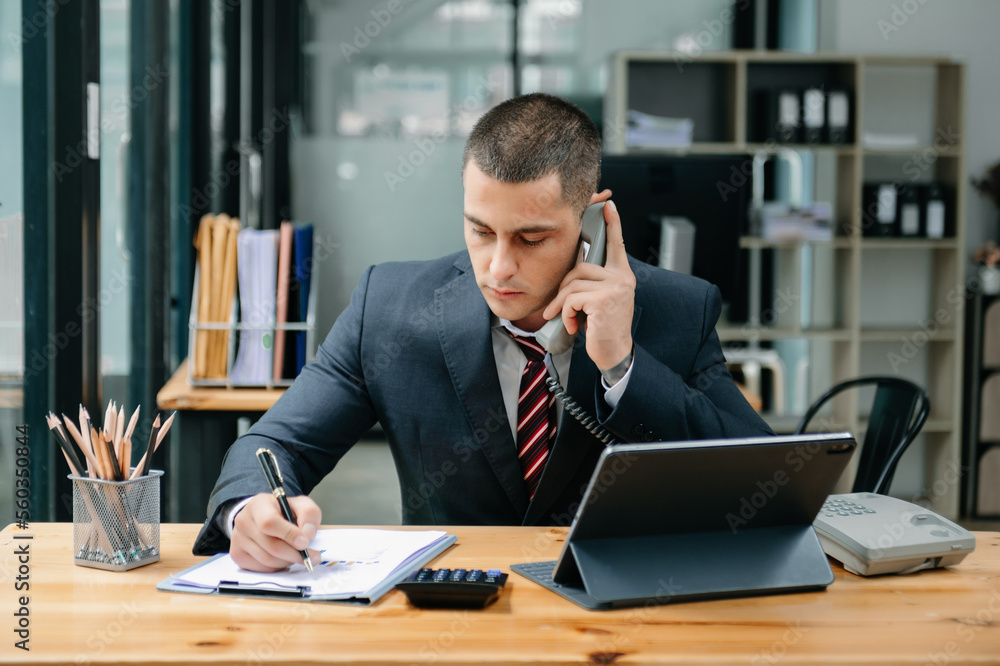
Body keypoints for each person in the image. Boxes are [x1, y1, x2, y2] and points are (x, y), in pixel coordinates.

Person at [193, 93, 773, 569]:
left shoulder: (678, 308)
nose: (498, 268)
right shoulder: (389, 306)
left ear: (590, 216)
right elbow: (275, 443)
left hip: (621, 623)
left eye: (531, 238)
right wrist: (247, 510)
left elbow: (765, 486)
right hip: (448, 620)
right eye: (480, 230)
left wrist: (623, 363)